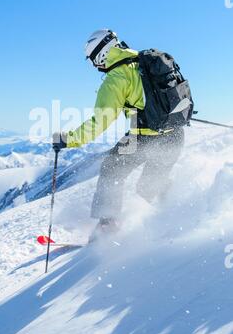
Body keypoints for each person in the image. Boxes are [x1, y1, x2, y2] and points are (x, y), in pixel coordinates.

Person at [53, 29, 185, 238]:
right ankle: (179, 214)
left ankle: (108, 226)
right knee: (148, 188)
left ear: (102, 53)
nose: (95, 66)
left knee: (111, 168)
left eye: (93, 60)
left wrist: (69, 139)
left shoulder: (116, 77)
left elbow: (100, 121)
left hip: (146, 138)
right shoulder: (144, 63)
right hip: (175, 135)